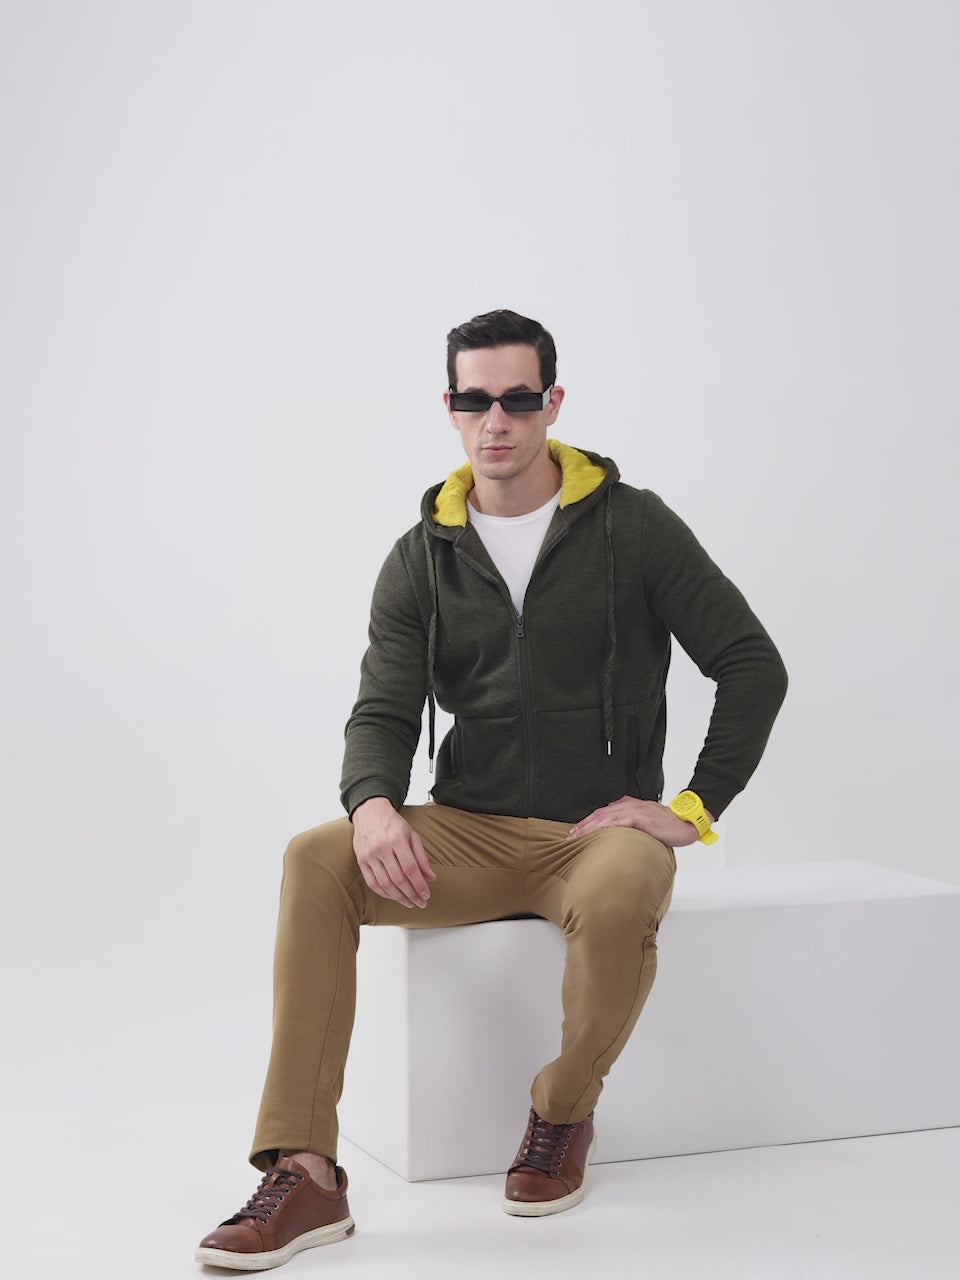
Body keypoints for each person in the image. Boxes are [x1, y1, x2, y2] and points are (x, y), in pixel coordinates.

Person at [196, 309, 788, 1270]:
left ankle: (561, 1114)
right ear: (451, 407)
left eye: (518, 397)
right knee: (316, 857)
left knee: (619, 889)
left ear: (553, 402)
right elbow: (382, 710)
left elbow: (752, 664)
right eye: (475, 400)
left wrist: (690, 807)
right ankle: (304, 1171)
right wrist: (373, 804)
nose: (496, 420)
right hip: (468, 830)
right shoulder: (421, 555)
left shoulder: (633, 528)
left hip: (597, 831)